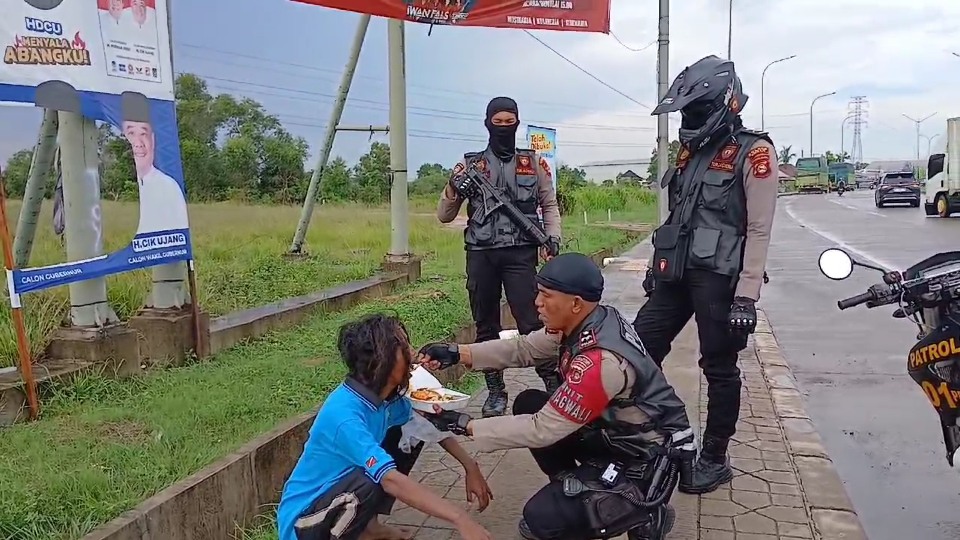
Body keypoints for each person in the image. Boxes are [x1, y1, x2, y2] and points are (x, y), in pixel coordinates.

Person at [417, 253, 695, 540]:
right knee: (529, 401)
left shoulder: (601, 362)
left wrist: (463, 424)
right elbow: (523, 349)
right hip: (614, 436)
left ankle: (645, 511)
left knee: (540, 520)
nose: (537, 302)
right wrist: (457, 353)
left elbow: (541, 429)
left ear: (575, 303)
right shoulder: (591, 319)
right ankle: (574, 488)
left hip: (643, 459)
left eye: (546, 295)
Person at [632, 55, 779, 495]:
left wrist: (747, 296)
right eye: (686, 112)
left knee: (719, 367)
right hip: (675, 273)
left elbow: (759, 228)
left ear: (726, 102)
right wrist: (653, 269)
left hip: (720, 278)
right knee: (636, 350)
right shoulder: (690, 151)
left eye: (697, 110)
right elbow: (676, 214)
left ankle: (714, 455)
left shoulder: (754, 152)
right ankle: (650, 435)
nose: (689, 120)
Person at [276, 314, 494, 540]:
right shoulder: (344, 416)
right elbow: (389, 480)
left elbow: (428, 424)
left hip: (336, 499)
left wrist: (470, 466)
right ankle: (361, 532)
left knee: (409, 432)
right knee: (374, 478)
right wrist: (459, 518)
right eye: (403, 347)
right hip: (303, 522)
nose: (412, 353)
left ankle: (369, 527)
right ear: (382, 360)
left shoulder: (385, 401)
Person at [437, 96, 563, 417]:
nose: (505, 128)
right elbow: (444, 215)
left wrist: (553, 237)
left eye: (511, 122)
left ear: (518, 123)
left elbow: (548, 205)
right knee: (485, 325)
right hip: (481, 254)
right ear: (487, 123)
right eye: (499, 122)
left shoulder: (533, 163)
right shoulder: (470, 165)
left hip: (521, 253)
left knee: (533, 323)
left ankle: (552, 383)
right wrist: (454, 187)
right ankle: (495, 391)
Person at [120, 92, 190, 235]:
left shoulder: (169, 187)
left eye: (143, 134)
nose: (138, 143)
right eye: (131, 133)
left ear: (153, 139)